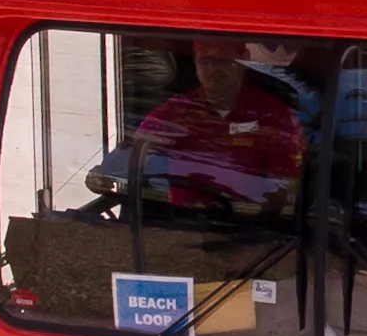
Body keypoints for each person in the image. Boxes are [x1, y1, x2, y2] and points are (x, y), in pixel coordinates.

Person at [129, 40, 307, 210]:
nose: (213, 68)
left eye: (223, 60)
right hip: (182, 226)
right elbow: (133, 157)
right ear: (196, 64)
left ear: (243, 60)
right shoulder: (175, 112)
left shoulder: (276, 116)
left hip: (249, 229)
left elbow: (283, 189)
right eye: (206, 60)